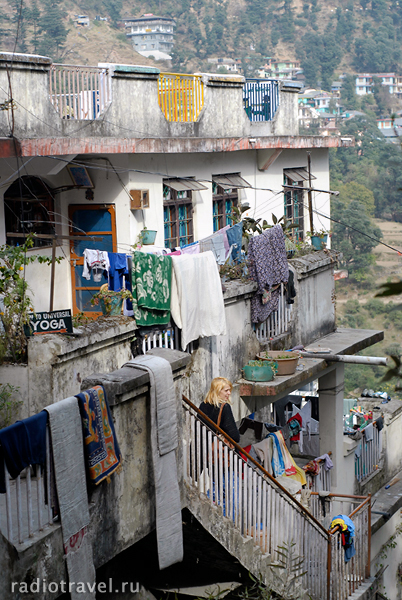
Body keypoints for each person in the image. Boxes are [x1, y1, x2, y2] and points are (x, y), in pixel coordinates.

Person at [199, 377, 240, 443]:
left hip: (203, 447)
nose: (229, 393)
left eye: (229, 390)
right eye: (226, 390)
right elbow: (235, 437)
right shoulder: (225, 407)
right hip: (217, 449)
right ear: (217, 391)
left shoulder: (203, 405)